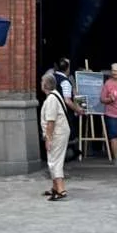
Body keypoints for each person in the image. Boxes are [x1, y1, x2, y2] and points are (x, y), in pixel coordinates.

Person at [39, 70, 72, 201]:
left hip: (57, 133)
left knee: (54, 161)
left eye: (42, 82)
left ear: (45, 85)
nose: (41, 83)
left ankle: (61, 190)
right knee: (54, 159)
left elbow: (51, 121)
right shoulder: (55, 94)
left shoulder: (52, 98)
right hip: (60, 132)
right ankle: (55, 187)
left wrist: (48, 138)